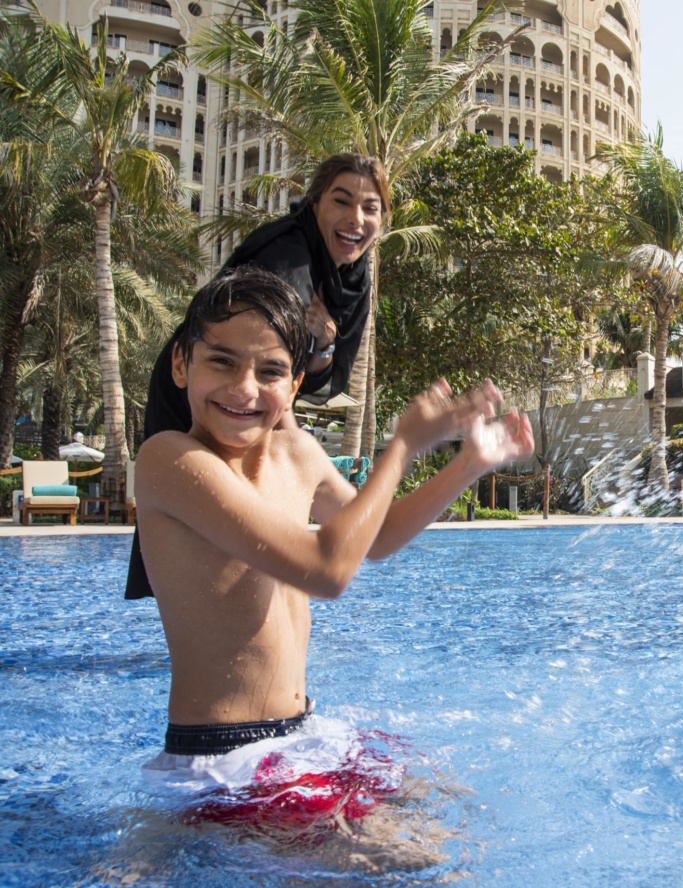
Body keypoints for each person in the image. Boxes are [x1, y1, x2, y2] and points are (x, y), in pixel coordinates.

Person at [135, 267, 533, 823]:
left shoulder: (297, 453)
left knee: (454, 811)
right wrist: (401, 448)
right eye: (222, 361)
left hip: (301, 734)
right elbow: (328, 570)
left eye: (271, 370)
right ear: (182, 362)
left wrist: (469, 465)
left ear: (295, 384)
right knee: (405, 861)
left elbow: (377, 534)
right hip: (224, 760)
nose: (245, 388)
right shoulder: (169, 460)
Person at [126, 153, 386, 600]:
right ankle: (214, 621)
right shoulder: (285, 256)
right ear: (314, 203)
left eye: (370, 207)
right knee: (216, 511)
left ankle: (245, 609)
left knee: (255, 515)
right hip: (201, 385)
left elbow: (317, 378)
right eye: (341, 201)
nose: (355, 219)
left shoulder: (353, 281)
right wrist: (296, 447)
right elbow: (257, 363)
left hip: (262, 393)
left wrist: (321, 344)